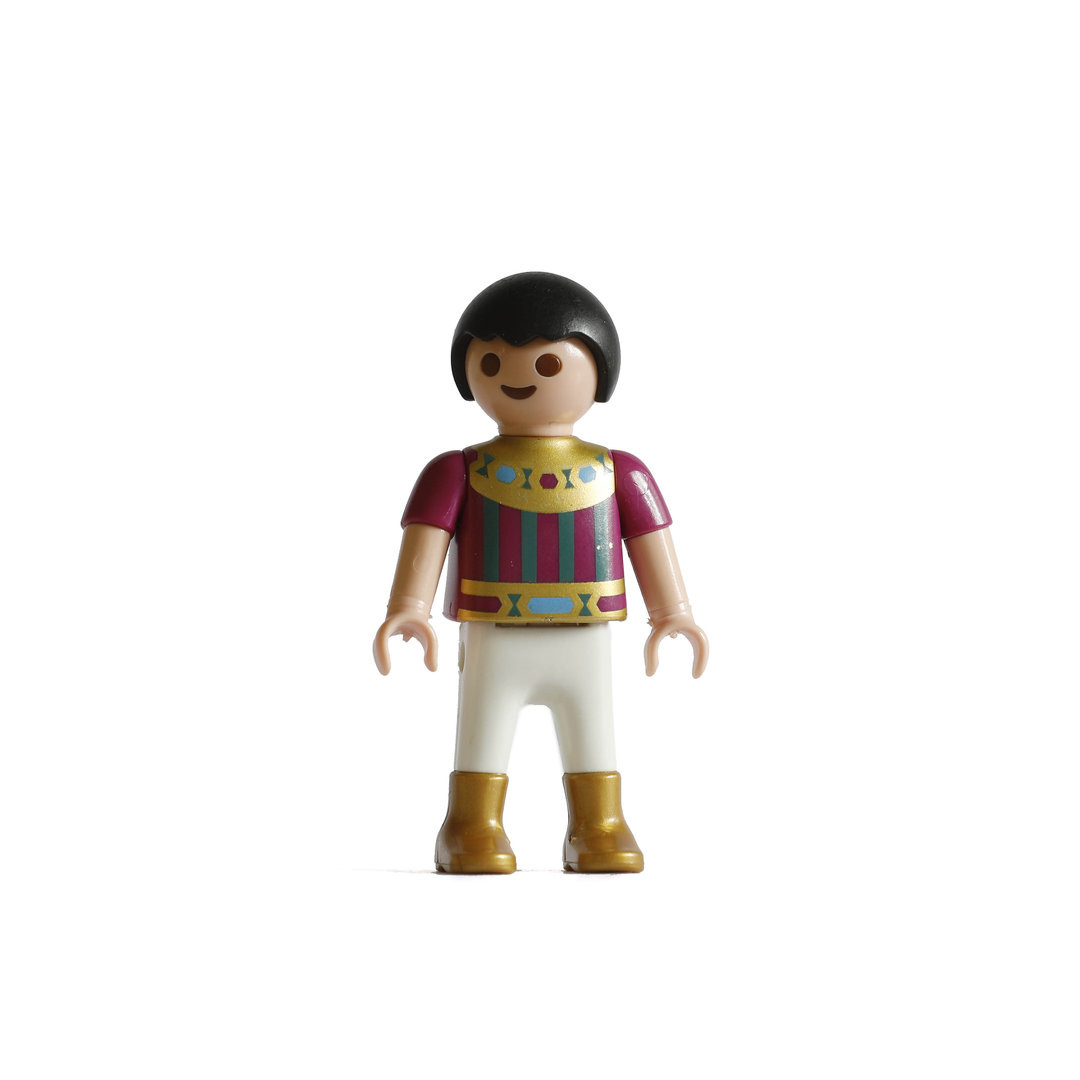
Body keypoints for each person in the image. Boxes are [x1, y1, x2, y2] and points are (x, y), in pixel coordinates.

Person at [373, 271, 708, 873]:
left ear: (598, 369)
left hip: (584, 631)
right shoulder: (458, 469)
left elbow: (650, 541)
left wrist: (673, 614)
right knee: (483, 726)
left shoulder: (617, 470)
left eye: (548, 363)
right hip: (494, 631)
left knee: (592, 728)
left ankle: (599, 824)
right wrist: (409, 609)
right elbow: (427, 536)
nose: (517, 377)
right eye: (492, 361)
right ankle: (470, 824)